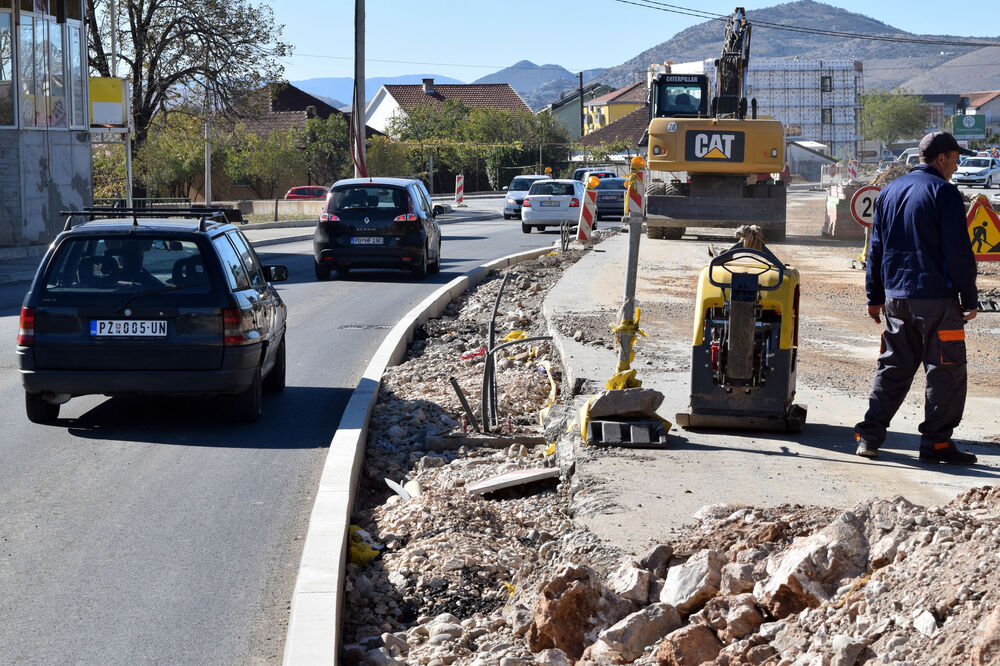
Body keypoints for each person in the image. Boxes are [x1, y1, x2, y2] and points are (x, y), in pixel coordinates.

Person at [855, 131, 979, 465]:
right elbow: (958, 252)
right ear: (941, 159)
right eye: (955, 159)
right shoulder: (945, 193)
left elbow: (876, 249)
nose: (956, 166)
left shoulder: (889, 192)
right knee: (945, 370)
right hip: (935, 298)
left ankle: (869, 436)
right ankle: (937, 444)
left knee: (893, 366)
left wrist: (875, 296)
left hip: (897, 297)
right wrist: (969, 296)